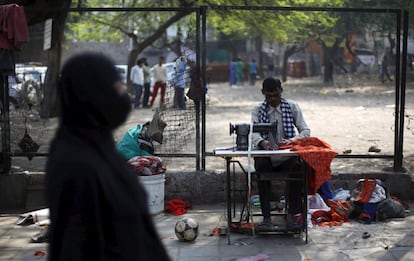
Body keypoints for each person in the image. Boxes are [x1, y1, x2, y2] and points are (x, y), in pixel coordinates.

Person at [45, 52, 170, 261]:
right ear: (90, 96)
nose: (123, 97)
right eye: (116, 88)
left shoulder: (98, 148)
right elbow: (77, 245)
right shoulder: (76, 164)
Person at [251, 77, 310, 230]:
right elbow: (254, 132)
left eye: (275, 95)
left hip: (286, 155)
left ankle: (292, 215)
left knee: (297, 170)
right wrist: (263, 143)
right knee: (261, 169)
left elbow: (305, 131)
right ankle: (266, 218)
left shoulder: (292, 107)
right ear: (263, 93)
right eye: (268, 96)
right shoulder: (258, 110)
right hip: (267, 155)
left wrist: (291, 141)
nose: (272, 99)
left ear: (281, 91)